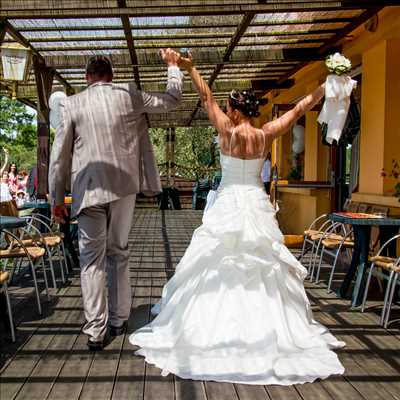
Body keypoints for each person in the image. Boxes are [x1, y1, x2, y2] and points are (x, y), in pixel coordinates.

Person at [130, 52, 345, 385]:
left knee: (216, 262)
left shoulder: (227, 132)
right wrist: (326, 87)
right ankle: (268, 328)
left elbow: (204, 96)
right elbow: (300, 108)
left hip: (229, 202)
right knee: (264, 264)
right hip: (256, 204)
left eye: (228, 106)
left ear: (232, 109)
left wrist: (190, 68)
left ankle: (209, 324)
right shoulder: (266, 133)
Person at [49, 49, 183, 351]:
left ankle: (96, 330)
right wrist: (173, 67)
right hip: (124, 188)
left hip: (88, 191)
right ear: (112, 76)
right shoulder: (129, 94)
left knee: (91, 262)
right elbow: (172, 100)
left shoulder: (71, 104)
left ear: (87, 78)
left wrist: (56, 199)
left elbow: (59, 159)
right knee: (118, 252)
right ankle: (119, 318)